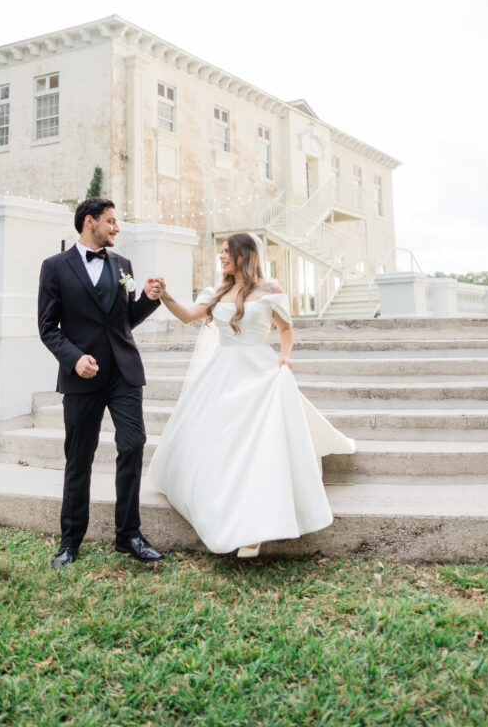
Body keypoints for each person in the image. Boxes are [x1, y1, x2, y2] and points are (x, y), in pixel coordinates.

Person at [147, 232, 356, 557]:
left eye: (227, 251)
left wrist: (285, 357)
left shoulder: (270, 289)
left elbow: (285, 328)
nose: (221, 256)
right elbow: (188, 316)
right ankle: (225, 507)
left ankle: (257, 521)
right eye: (221, 251)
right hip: (222, 374)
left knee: (258, 444)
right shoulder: (218, 292)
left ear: (244, 255)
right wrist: (166, 295)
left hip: (259, 371)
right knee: (223, 441)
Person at [38, 197, 165, 568]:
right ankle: (70, 541)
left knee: (133, 443)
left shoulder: (122, 264)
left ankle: (128, 535)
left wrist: (147, 299)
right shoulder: (54, 267)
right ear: (90, 221)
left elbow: (124, 320)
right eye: (111, 221)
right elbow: (47, 327)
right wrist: (74, 359)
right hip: (82, 376)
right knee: (79, 458)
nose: (116, 227)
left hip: (123, 373)